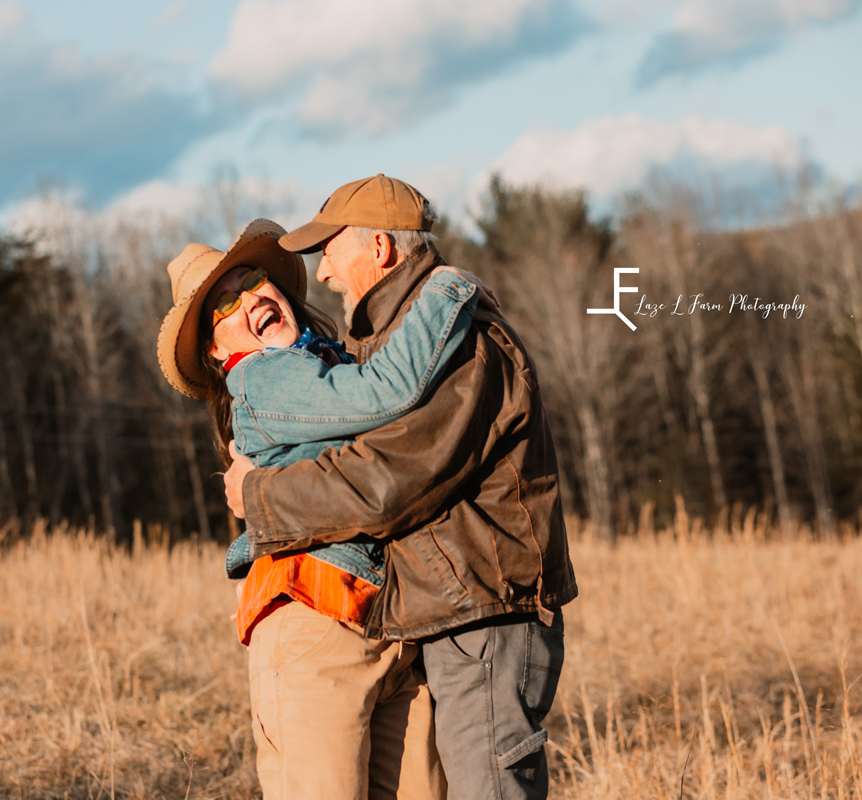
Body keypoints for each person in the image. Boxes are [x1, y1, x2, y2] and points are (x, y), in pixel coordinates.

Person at [223, 175, 579, 800]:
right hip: (451, 616)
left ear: (380, 249)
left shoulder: (458, 345)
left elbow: (389, 484)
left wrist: (258, 498)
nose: (324, 273)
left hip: (483, 615)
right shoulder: (392, 346)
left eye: (329, 250)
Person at [156, 218, 491, 800]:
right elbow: (385, 395)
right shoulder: (265, 376)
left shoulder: (331, 361)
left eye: (254, 278)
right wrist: (447, 287)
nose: (250, 297)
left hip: (388, 626)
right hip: (313, 622)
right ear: (216, 349)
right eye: (225, 304)